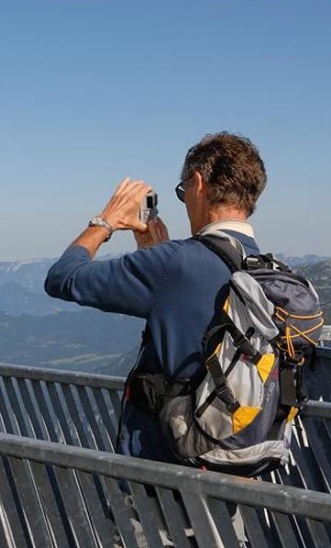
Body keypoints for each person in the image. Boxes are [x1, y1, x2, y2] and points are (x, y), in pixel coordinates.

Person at [45, 132, 268, 466]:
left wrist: (105, 221)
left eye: (183, 191)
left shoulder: (174, 264)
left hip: (164, 470)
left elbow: (63, 278)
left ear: (199, 183)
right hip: (238, 463)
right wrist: (154, 253)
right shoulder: (266, 271)